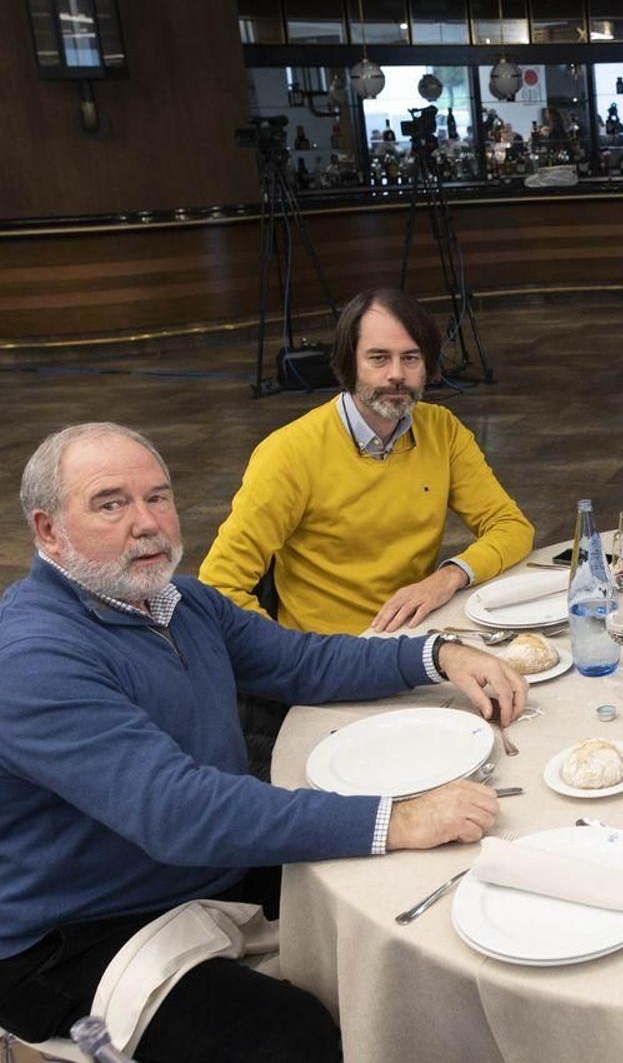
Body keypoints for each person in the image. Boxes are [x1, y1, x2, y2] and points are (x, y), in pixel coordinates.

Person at [0, 423, 525, 1059]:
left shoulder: (179, 601)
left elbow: (302, 662)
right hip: (76, 933)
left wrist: (437, 655)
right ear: (48, 530)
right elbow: (178, 813)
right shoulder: (34, 658)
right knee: (292, 1036)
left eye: (158, 497)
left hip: (206, 867)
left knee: (423, 900)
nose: (146, 522)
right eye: (110, 503)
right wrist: (401, 817)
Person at [200, 288, 533, 638]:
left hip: (418, 640)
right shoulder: (289, 453)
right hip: (332, 657)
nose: (396, 375)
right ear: (348, 363)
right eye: (378, 358)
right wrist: (290, 656)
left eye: (410, 358)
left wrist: (447, 577)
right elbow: (220, 585)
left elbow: (511, 526)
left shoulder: (442, 429)